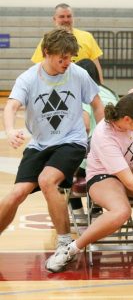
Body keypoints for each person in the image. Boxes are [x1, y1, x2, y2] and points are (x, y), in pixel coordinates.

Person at [44, 93, 133, 273]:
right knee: (122, 211)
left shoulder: (131, 123)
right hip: (103, 176)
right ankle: (71, 249)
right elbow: (130, 182)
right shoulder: (105, 135)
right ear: (127, 119)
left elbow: (129, 144)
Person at [0, 29, 104, 270]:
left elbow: (97, 105)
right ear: (46, 53)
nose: (67, 63)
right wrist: (9, 130)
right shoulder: (28, 78)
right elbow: (11, 105)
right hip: (39, 144)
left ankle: (64, 243)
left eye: (71, 58)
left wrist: (99, 137)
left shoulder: (77, 74)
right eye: (62, 58)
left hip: (71, 141)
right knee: (16, 193)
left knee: (48, 180)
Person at [68, 58, 120, 218]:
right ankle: (96, 213)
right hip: (115, 156)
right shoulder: (111, 92)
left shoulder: (84, 93)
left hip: (93, 156)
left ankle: (78, 215)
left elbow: (85, 126)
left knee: (63, 173)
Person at [31, 3, 104, 84]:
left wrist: (100, 87)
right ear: (54, 19)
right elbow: (38, 69)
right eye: (62, 16)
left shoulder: (87, 37)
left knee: (86, 63)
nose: (66, 20)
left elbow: (96, 67)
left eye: (69, 16)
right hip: (59, 85)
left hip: (83, 86)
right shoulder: (46, 40)